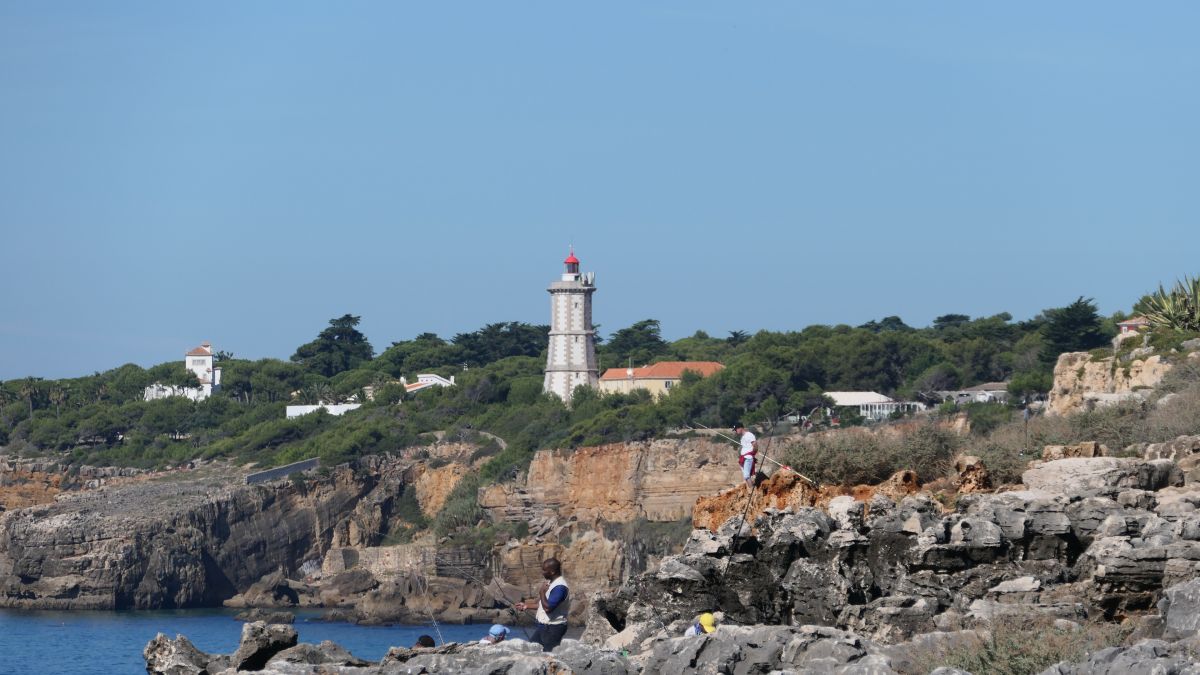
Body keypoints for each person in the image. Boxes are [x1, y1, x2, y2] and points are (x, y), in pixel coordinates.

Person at [514, 557, 570, 652]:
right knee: (531, 651)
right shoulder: (551, 583)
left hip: (553, 629)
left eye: (544, 570)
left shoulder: (560, 587)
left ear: (552, 572)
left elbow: (548, 608)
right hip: (544, 627)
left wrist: (541, 592)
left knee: (547, 656)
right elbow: (543, 605)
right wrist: (526, 606)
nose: (542, 572)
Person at [734, 422, 757, 489]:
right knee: (746, 475)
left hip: (748, 457)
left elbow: (755, 445)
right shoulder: (742, 437)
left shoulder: (749, 435)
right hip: (743, 458)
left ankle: (752, 489)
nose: (736, 431)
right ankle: (751, 487)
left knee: (746, 475)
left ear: (740, 428)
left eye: (736, 429)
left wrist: (753, 454)